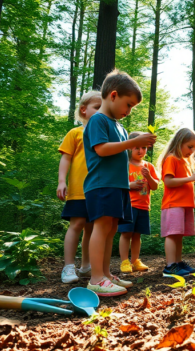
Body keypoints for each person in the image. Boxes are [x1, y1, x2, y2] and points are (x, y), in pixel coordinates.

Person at [83, 71, 157, 296]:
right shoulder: (98, 120)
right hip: (101, 184)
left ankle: (105, 274)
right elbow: (102, 149)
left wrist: (131, 141)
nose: (129, 111)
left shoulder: (121, 128)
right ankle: (96, 279)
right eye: (129, 104)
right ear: (113, 95)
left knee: (112, 228)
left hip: (119, 186)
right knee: (102, 227)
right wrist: (133, 142)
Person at [57, 91, 103, 283]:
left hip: (97, 190)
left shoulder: (104, 135)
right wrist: (62, 181)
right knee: (76, 224)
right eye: (97, 107)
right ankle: (68, 267)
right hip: (78, 189)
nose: (101, 112)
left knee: (92, 229)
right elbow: (65, 158)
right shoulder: (75, 133)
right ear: (83, 110)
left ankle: (86, 266)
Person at [158, 128, 195, 277]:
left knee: (178, 235)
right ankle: (170, 267)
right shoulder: (172, 158)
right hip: (173, 204)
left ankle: (178, 263)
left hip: (183, 205)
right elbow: (168, 181)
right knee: (172, 234)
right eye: (189, 146)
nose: (192, 151)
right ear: (179, 142)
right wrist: (190, 178)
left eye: (194, 148)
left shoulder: (184, 161)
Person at [118, 131, 159, 274]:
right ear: (130, 147)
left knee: (137, 235)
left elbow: (155, 186)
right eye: (137, 148)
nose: (141, 151)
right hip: (128, 206)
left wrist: (149, 177)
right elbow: (117, 183)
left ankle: (135, 261)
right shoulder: (124, 164)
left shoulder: (149, 166)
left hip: (143, 206)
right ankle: (124, 261)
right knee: (126, 234)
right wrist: (131, 185)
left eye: (144, 148)